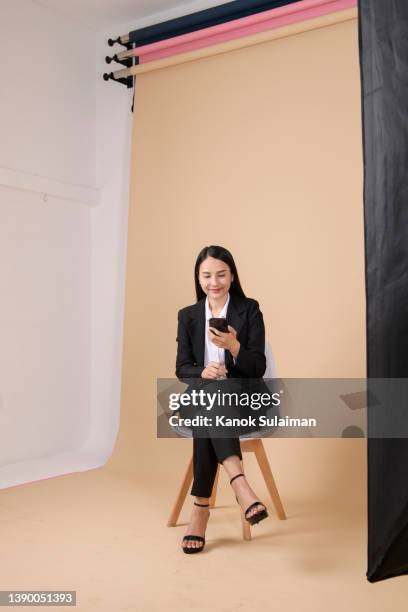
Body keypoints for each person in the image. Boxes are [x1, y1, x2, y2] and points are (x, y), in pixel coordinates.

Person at [175, 245, 270, 554]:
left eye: (220, 274)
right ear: (198, 278)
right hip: (204, 396)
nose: (213, 282)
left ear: (231, 276)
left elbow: (257, 368)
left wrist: (233, 346)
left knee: (213, 404)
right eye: (206, 276)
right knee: (211, 397)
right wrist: (202, 372)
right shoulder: (188, 316)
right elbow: (182, 368)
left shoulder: (249, 309)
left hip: (244, 399)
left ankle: (199, 510)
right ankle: (241, 486)